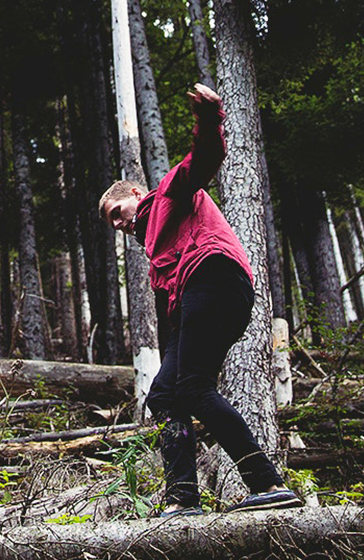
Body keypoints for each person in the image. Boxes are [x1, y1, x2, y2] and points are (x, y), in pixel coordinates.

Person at [100, 82, 301, 516]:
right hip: (202, 298)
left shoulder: (167, 197)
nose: (118, 225)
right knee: (165, 396)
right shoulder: (156, 254)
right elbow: (172, 326)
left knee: (193, 387)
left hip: (216, 278)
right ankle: (183, 498)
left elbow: (203, 160)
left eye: (118, 213)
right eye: (111, 223)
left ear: (135, 195)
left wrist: (210, 118)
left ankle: (267, 483)